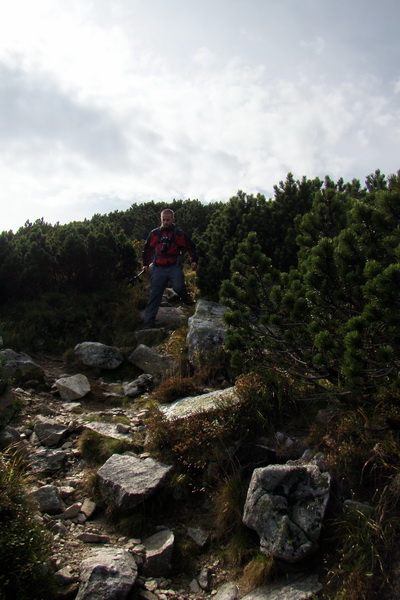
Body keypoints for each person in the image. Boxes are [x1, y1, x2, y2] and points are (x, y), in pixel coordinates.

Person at [142, 209, 198, 327]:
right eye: (163, 220)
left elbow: (191, 246)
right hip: (158, 268)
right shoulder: (155, 234)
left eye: (168, 220)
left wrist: (193, 260)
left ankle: (186, 298)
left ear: (173, 220)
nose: (165, 222)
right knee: (155, 293)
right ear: (161, 219)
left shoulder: (179, 234)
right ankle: (149, 321)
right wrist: (145, 264)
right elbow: (147, 249)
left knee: (178, 287)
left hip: (174, 266)